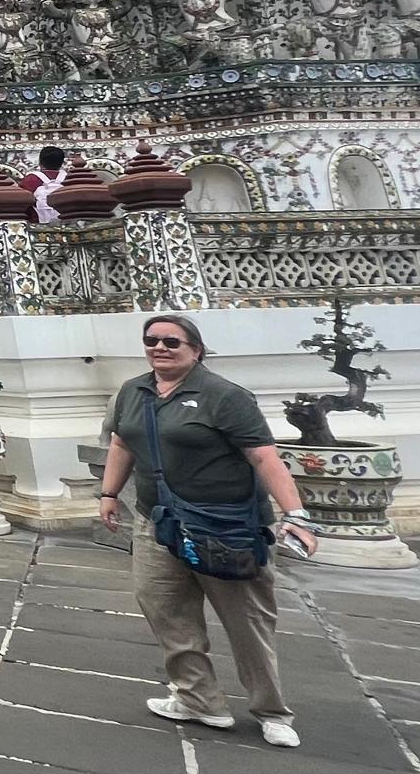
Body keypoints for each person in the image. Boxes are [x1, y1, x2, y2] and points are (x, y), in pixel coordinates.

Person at [98, 314, 320, 747]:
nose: (160, 348)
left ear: (196, 350)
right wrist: (109, 494)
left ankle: (272, 711)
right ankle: (198, 699)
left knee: (247, 620)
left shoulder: (225, 396)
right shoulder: (133, 391)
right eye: (152, 340)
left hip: (225, 525)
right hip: (158, 521)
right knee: (166, 610)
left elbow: (264, 457)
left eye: (172, 342)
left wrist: (295, 515)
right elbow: (122, 443)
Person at [19, 144, 70, 224]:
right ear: (62, 163)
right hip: (67, 224)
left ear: (40, 162)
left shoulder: (31, 179)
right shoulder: (69, 178)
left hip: (37, 224)